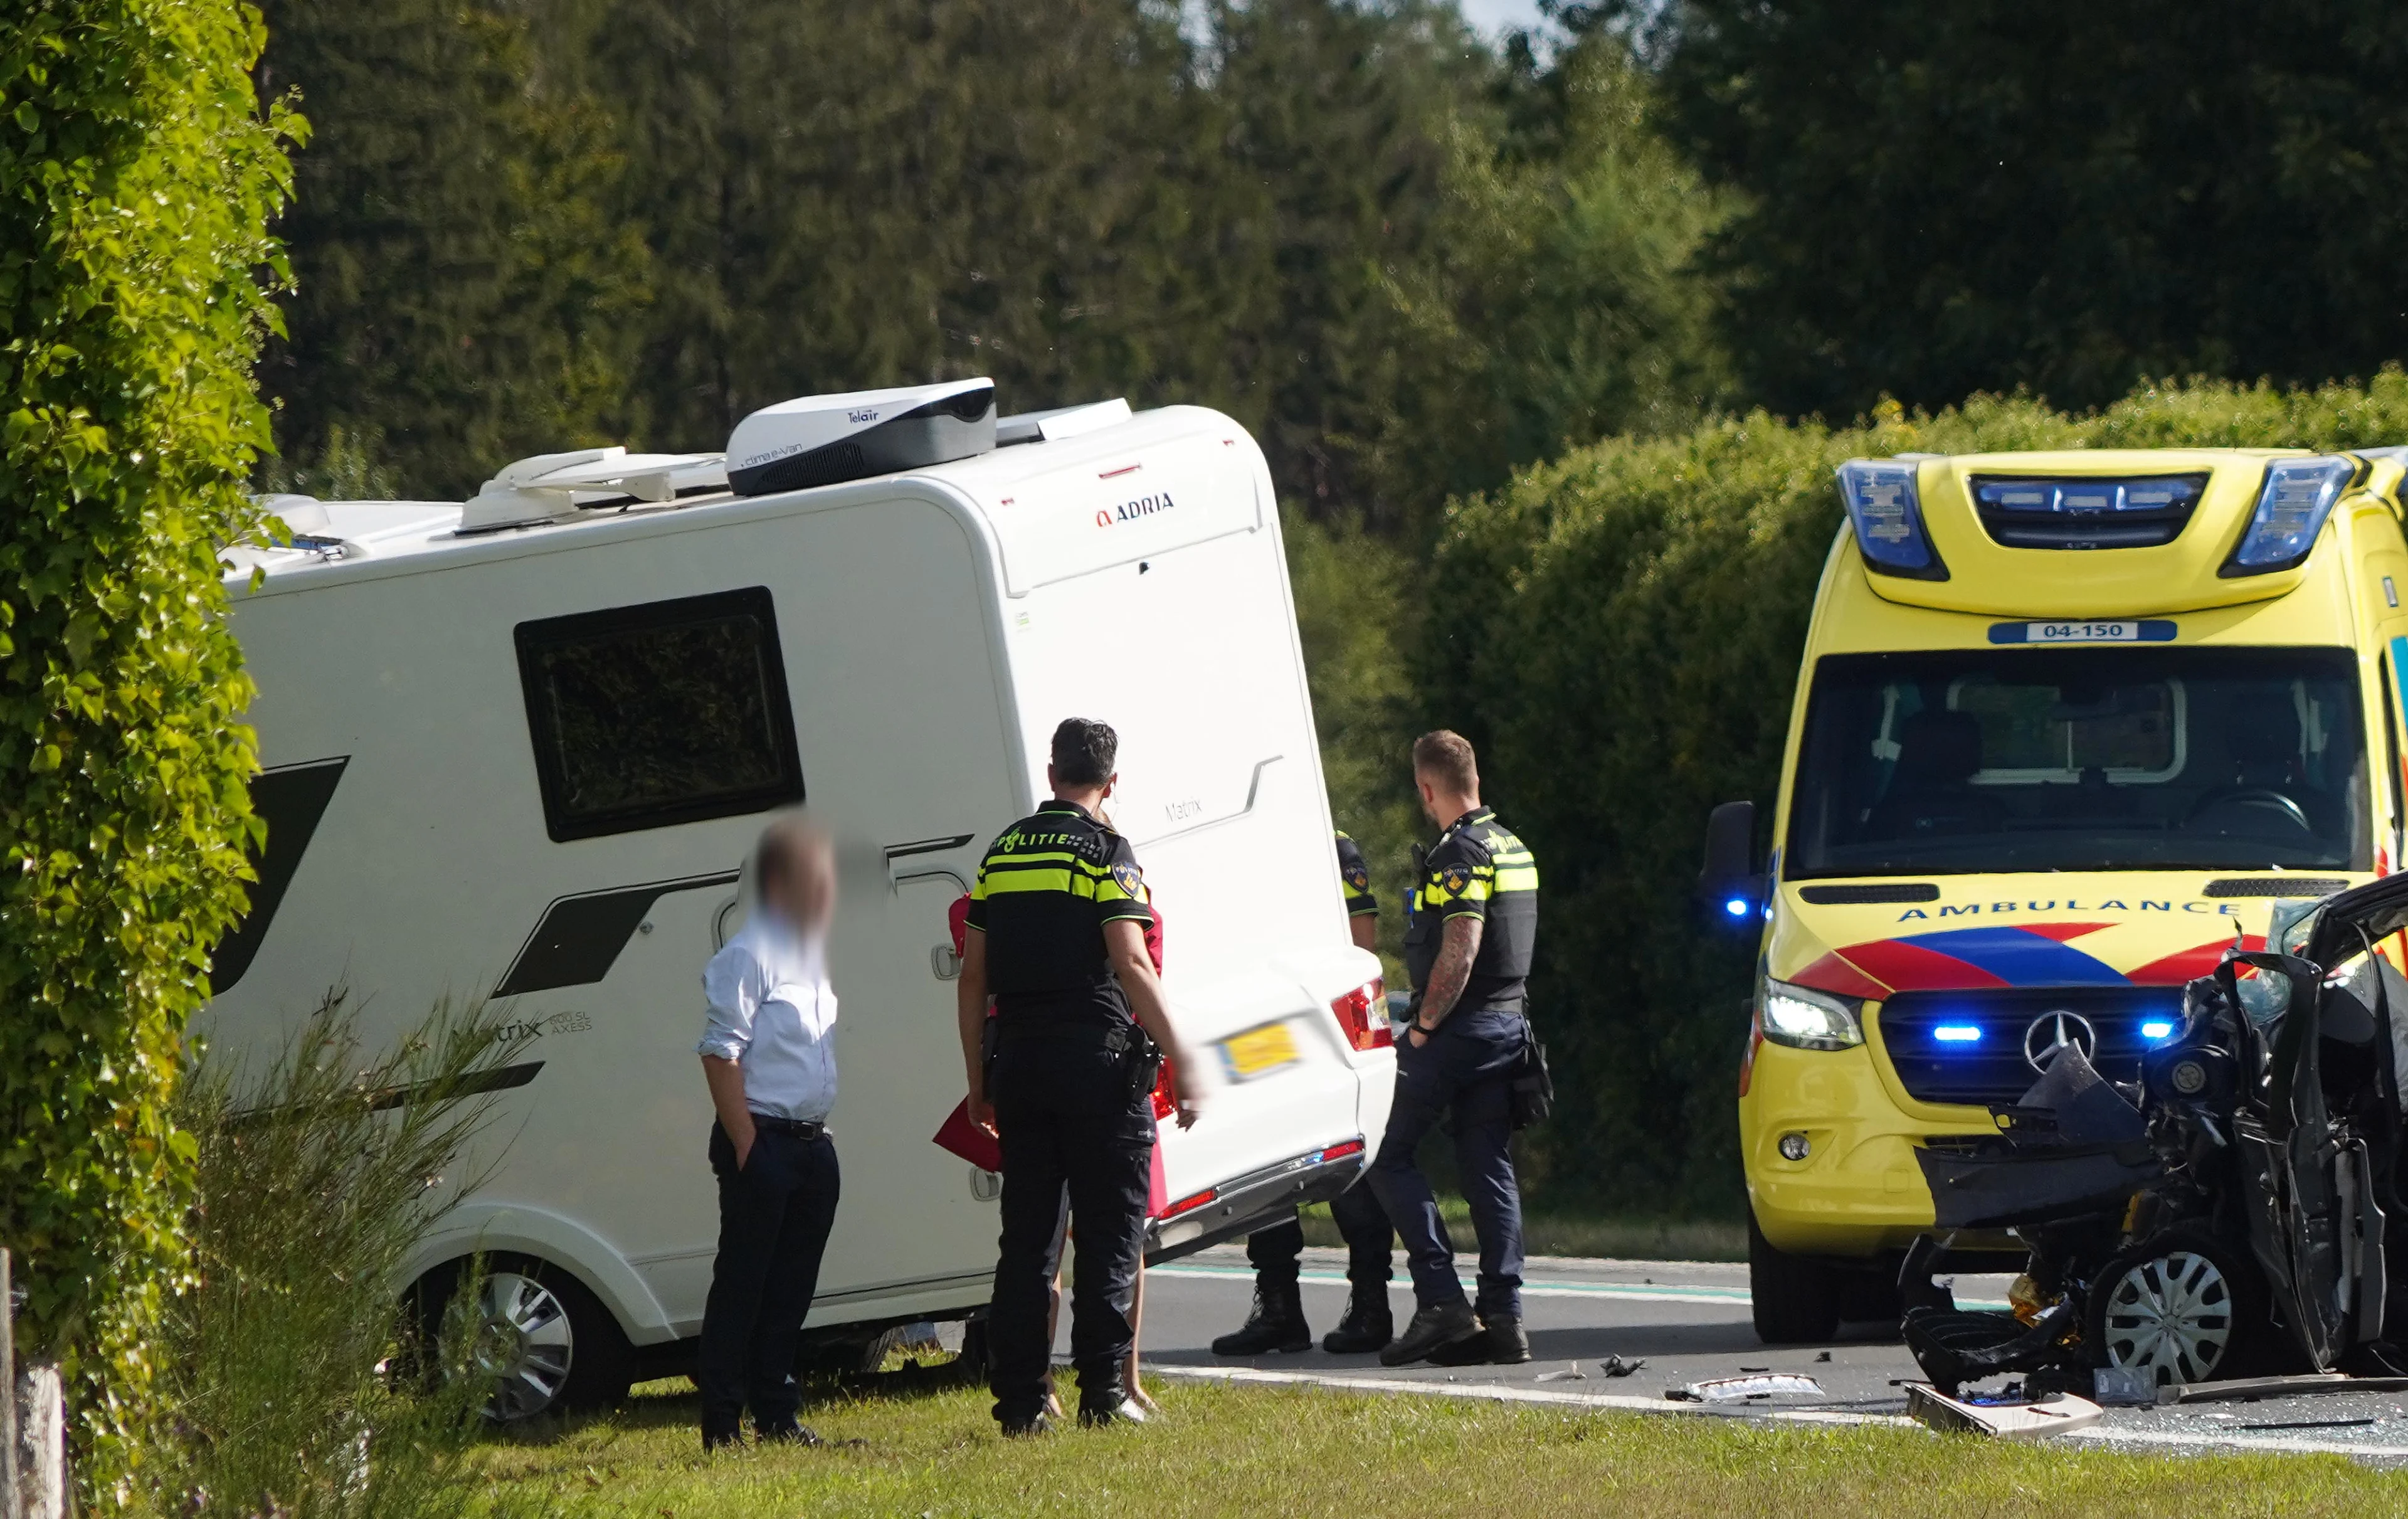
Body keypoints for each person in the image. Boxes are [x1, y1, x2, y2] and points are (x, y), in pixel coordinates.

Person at [958, 717, 1203, 1436]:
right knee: (1109, 1235)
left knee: (1028, 1242)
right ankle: (1104, 1392)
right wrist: (1184, 1057)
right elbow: (1131, 960)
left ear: (1051, 773)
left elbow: (972, 978)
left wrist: (978, 1080)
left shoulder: (1003, 852)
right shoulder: (1106, 851)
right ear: (1111, 783)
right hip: (1097, 1066)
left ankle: (1023, 1403)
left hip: (1020, 1066)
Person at [1367, 731, 1539, 1368]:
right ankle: (1503, 1320)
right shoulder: (1513, 845)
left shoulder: (1460, 852)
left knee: (1385, 1149)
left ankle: (1441, 1300)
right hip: (1508, 1028)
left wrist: (1422, 1026)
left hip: (1460, 1029)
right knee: (1487, 1164)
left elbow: (1461, 946)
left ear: (1427, 788)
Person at [1210, 831, 1397, 1355]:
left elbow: (1362, 942)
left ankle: (1370, 1305)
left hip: (1322, 1027)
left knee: (1351, 1168)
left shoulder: (1331, 844)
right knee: (1263, 1169)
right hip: (1258, 1030)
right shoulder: (1236, 847)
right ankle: (1278, 1310)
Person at [694, 816, 845, 1449]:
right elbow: (719, 1051)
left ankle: (777, 1415)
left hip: (811, 1144)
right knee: (744, 1286)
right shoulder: (748, 954)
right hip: (764, 1140)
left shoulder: (807, 957)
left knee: (790, 1289)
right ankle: (723, 1423)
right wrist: (747, 1143)